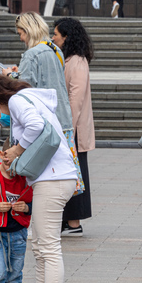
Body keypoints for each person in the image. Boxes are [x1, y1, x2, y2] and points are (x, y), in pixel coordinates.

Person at [0, 74, 77, 283]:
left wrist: (17, 149)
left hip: (52, 179)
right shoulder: (28, 98)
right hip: (55, 178)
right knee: (40, 247)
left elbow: (35, 126)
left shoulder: (16, 102)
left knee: (48, 247)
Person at [52, 18, 95, 237]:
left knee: (75, 174)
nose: (53, 37)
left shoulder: (77, 61)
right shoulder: (68, 58)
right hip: (70, 128)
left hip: (73, 131)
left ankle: (74, 222)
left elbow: (75, 98)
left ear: (67, 36)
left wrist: (65, 129)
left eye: (56, 34)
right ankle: (68, 221)